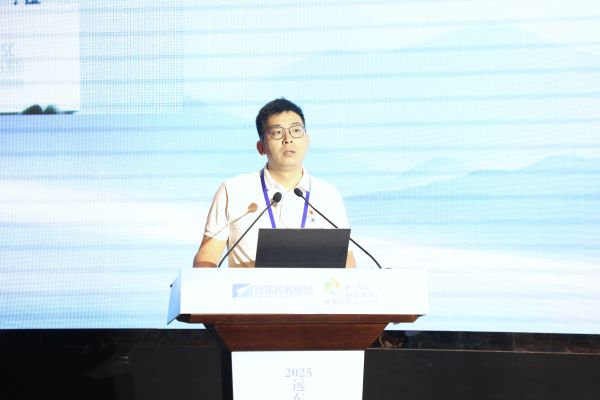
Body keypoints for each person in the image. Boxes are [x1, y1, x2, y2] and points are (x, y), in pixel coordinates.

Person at [193, 98, 356, 268]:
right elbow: (207, 257)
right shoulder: (234, 190)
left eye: (296, 130)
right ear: (261, 147)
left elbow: (346, 259)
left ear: (307, 141)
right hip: (249, 286)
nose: (288, 139)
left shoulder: (328, 194)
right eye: (277, 132)